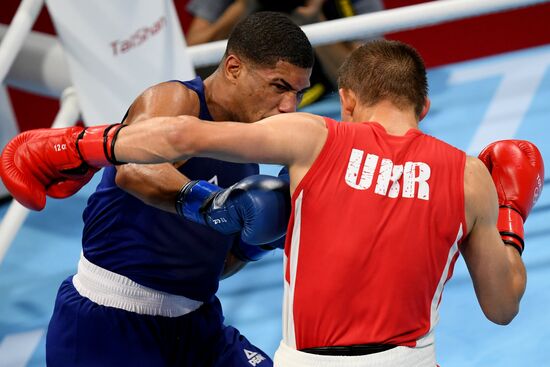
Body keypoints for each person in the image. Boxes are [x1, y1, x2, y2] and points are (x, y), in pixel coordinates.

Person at [1, 40, 544, 366]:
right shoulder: (469, 175)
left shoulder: (313, 137)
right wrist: (510, 215)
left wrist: (75, 146)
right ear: (424, 104)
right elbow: (502, 308)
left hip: (287, 355)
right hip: (410, 360)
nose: (286, 104)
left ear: (346, 101)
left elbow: (178, 137)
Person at [1, 11, 313, 367]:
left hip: (197, 323)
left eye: (299, 94)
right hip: (110, 321)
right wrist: (214, 204)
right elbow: (134, 171)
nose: (289, 106)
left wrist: (253, 243)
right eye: (279, 86)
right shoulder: (176, 100)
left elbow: (214, 266)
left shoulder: (246, 151)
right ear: (233, 67)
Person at [184, 0, 384, 106]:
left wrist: (314, 23)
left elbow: (369, 82)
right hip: (247, 111)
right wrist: (244, 6)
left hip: (326, 104)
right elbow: (191, 60)